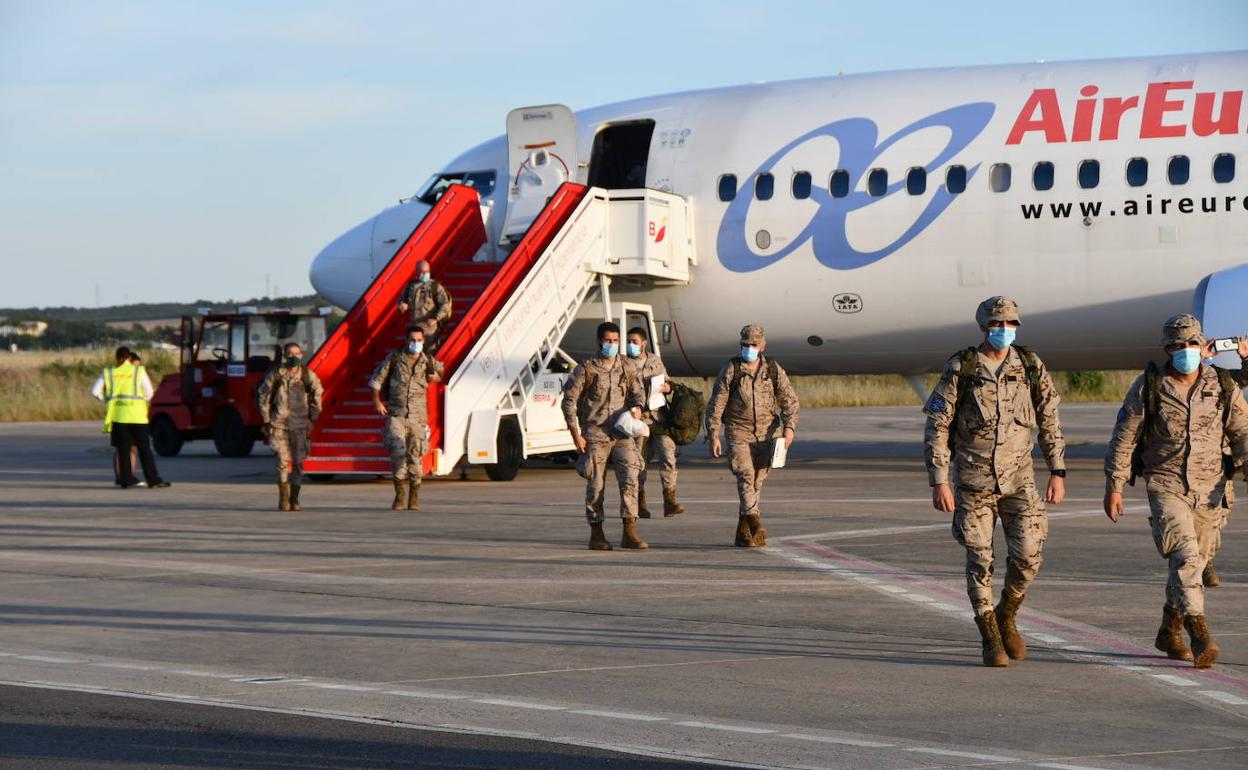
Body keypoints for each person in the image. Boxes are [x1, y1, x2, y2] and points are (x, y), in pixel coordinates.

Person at [923, 297, 1065, 668]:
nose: (1004, 330)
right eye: (997, 324)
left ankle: (1007, 613)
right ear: (984, 327)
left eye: (1010, 324)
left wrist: (1058, 470)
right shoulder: (962, 367)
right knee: (979, 558)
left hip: (1020, 481)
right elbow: (937, 426)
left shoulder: (1030, 366)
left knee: (1029, 554)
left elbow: (1049, 419)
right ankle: (989, 636)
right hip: (973, 483)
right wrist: (940, 481)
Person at [1105, 314, 1248, 669]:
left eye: (1191, 344)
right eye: (1177, 346)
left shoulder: (1222, 385)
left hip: (1212, 488)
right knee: (1184, 558)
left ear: (1203, 346)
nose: (1185, 351)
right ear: (1168, 349)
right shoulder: (1149, 387)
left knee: (1195, 564)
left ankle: (1169, 630)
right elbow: (1124, 438)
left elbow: (1242, 432)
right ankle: (1200, 634)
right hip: (1166, 485)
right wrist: (1115, 485)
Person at [704, 324, 799, 548]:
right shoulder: (731, 369)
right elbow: (717, 403)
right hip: (739, 431)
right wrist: (714, 434)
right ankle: (756, 523)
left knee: (756, 482)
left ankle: (742, 530)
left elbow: (789, 399)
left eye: (754, 345)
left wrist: (790, 427)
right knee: (745, 475)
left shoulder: (773, 369)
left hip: (768, 433)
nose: (749, 348)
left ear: (762, 346)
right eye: (745, 345)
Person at [561, 322, 648, 550]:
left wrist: (638, 407)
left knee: (631, 474)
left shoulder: (626, 366)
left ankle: (629, 530)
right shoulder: (586, 369)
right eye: (608, 340)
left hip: (621, 432)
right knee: (596, 483)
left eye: (615, 341)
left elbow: (638, 392)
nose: (612, 345)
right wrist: (575, 434)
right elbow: (569, 401)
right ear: (600, 341)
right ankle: (596, 532)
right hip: (595, 432)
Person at [370, 326, 443, 511]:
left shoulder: (428, 361)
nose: (415, 343)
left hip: (418, 418)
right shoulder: (395, 358)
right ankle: (399, 494)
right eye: (412, 339)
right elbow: (376, 380)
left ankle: (414, 496)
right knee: (397, 452)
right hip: (397, 414)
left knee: (415, 456)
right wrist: (377, 401)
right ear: (406, 340)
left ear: (423, 341)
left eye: (419, 340)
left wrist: (437, 377)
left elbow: (444, 373)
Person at [1200, 335, 1248, 588]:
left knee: (1218, 516)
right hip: (1186, 465)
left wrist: (1245, 355)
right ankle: (1196, 564)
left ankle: (1206, 559)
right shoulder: (1169, 379)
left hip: (1219, 461)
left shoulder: (1221, 379)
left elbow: (1246, 378)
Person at [624, 327, 685, 518]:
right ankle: (640, 503)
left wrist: (667, 387)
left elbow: (667, 381)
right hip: (638, 422)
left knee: (668, 457)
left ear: (644, 343)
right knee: (639, 464)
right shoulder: (624, 364)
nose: (631, 345)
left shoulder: (654, 361)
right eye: (629, 341)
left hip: (658, 419)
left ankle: (670, 501)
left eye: (634, 341)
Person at [257, 342, 324, 511]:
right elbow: (263, 397)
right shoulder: (275, 375)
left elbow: (318, 396)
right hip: (279, 424)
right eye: (290, 353)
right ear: (286, 356)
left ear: (301, 355)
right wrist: (266, 420)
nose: (294, 356)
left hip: (300, 425)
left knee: (299, 463)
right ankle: (283, 498)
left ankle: (295, 498)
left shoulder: (308, 375)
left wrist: (312, 419)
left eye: (297, 353)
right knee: (282, 461)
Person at [91, 345, 170, 490]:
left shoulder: (108, 373)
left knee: (123, 449)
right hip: (138, 416)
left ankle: (125, 480)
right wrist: (139, 400)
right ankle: (153, 480)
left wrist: (107, 400)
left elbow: (95, 391)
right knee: (144, 449)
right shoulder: (139, 371)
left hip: (119, 417)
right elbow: (149, 393)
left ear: (117, 358)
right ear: (129, 357)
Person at [397, 260, 452, 351]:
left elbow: (445, 305)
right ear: (417, 272)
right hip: (414, 331)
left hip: (430, 331)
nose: (425, 274)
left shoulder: (435, 286)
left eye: (427, 271)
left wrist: (436, 318)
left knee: (430, 355)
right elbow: (401, 303)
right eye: (422, 272)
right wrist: (402, 307)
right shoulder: (410, 287)